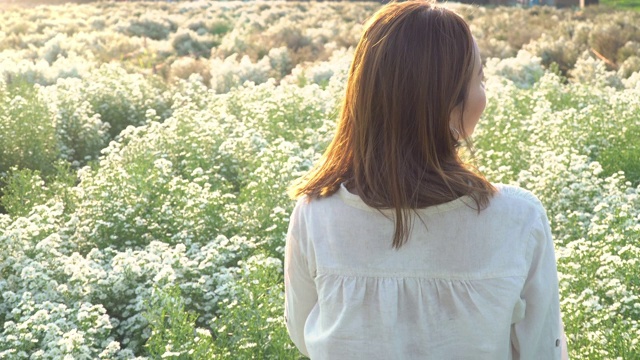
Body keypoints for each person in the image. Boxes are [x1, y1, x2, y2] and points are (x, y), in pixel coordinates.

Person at [284, 1, 568, 359]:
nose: (484, 96)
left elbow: (303, 334)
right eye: (478, 79)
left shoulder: (315, 215)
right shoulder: (517, 220)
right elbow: (542, 351)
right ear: (445, 102)